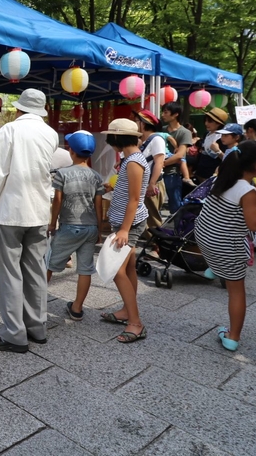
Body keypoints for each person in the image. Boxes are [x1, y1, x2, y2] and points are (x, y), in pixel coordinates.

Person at [0, 88, 57, 353]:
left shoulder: (9, 131)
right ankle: (37, 327)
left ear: (19, 108)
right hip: (39, 211)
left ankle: (14, 333)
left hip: (12, 210)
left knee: (10, 273)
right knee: (35, 270)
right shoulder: (51, 133)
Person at [194, 141, 256, 351]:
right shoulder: (247, 191)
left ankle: (215, 267)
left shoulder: (222, 179)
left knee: (221, 258)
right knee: (237, 291)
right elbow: (254, 224)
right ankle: (232, 337)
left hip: (205, 238)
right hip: (227, 246)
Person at [98, 119, 150, 343]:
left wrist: (125, 230)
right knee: (127, 269)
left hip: (130, 224)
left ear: (117, 138)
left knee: (117, 271)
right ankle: (127, 311)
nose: (109, 142)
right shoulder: (131, 159)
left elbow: (135, 199)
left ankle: (136, 323)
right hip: (125, 223)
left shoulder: (134, 162)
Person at [48, 131, 103, 321]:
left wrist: (52, 223)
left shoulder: (62, 174)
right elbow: (98, 204)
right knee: (85, 269)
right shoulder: (96, 176)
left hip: (68, 227)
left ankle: (36, 303)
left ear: (71, 151)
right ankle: (77, 308)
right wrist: (99, 229)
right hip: (90, 228)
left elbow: (57, 201)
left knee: (49, 264)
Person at [135, 110, 166, 234]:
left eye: (137, 121)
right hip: (144, 183)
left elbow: (159, 162)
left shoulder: (156, 139)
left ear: (143, 124)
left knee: (152, 218)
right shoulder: (142, 140)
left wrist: (152, 183)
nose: (135, 123)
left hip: (152, 184)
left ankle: (159, 247)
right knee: (144, 217)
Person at [160, 102, 192, 213]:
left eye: (166, 112)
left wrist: (161, 164)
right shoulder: (161, 130)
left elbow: (179, 156)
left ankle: (179, 229)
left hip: (172, 173)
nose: (163, 115)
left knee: (176, 206)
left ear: (175, 114)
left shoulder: (185, 132)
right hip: (157, 174)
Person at [195, 107, 227, 181]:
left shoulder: (222, 137)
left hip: (213, 174)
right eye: (205, 120)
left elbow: (227, 158)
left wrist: (218, 151)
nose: (206, 123)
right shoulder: (206, 134)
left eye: (210, 121)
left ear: (218, 123)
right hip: (200, 172)